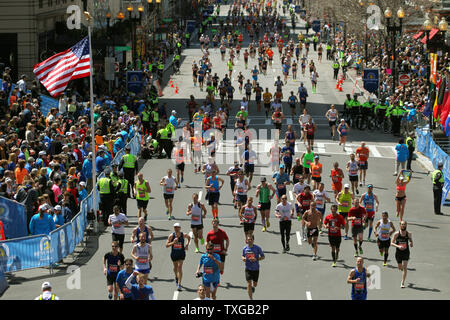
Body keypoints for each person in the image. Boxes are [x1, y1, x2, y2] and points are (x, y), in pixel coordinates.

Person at [166, 223, 191, 291]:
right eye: (175, 227)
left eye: (177, 227)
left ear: (180, 228)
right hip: (174, 254)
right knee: (175, 268)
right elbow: (167, 245)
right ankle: (176, 277)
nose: (176, 229)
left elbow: (189, 237)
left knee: (180, 267)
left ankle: (179, 284)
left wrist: (187, 245)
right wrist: (173, 242)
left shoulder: (183, 235)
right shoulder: (171, 236)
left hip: (181, 253)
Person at [241, 235, 265, 300]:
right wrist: (243, 259)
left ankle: (253, 287)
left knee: (255, 284)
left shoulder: (257, 248)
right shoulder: (245, 248)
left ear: (253, 240)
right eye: (248, 239)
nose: (249, 241)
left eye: (251, 239)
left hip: (256, 268)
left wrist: (256, 259)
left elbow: (263, 256)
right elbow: (242, 256)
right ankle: (251, 298)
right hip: (248, 268)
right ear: (246, 240)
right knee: (249, 283)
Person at [392, 220, 413, 288]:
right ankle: (401, 268)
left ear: (406, 225)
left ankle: (402, 282)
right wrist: (398, 246)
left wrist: (411, 243)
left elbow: (411, 241)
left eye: (404, 224)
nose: (403, 225)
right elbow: (391, 243)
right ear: (400, 225)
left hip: (406, 252)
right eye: (402, 224)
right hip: (398, 253)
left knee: (405, 268)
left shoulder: (408, 233)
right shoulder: (396, 234)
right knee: (400, 267)